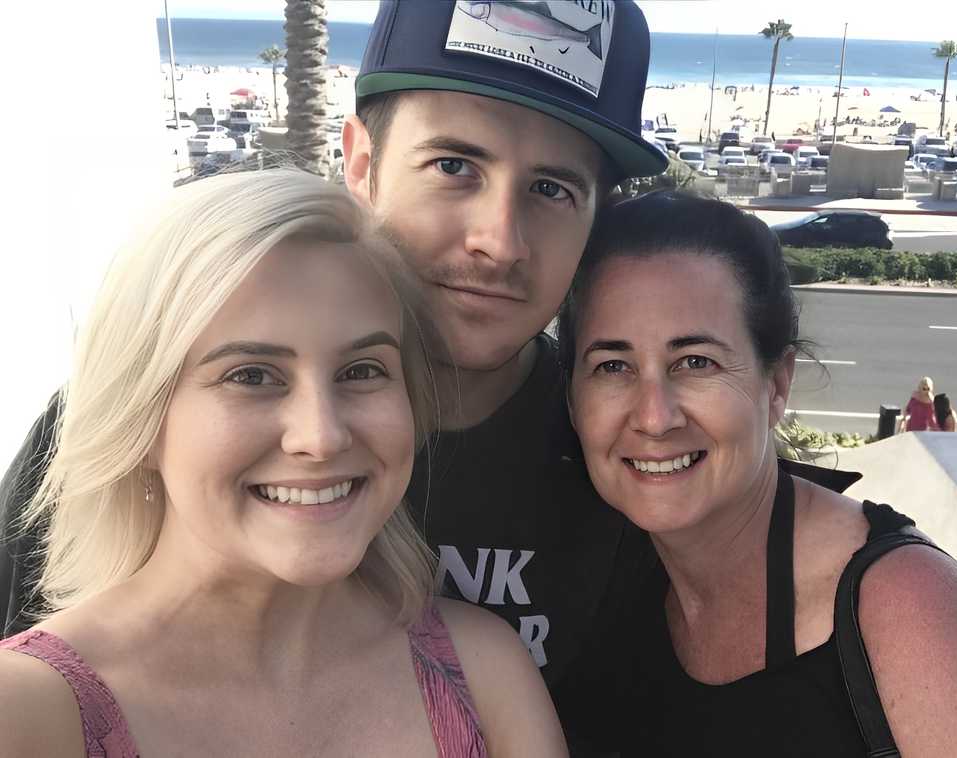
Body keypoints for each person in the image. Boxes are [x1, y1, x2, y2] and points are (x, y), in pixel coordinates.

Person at [2, 0, 665, 744]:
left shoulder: (631, 453)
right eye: (454, 165)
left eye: (551, 189)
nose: (498, 242)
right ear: (360, 162)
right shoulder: (107, 438)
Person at [0, 171, 565, 756]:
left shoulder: (484, 674)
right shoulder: (28, 713)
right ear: (140, 420)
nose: (320, 436)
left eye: (362, 370)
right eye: (251, 376)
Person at [555, 192, 957, 756]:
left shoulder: (906, 611)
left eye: (696, 362)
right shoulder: (597, 570)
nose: (654, 416)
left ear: (776, 383)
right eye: (612, 366)